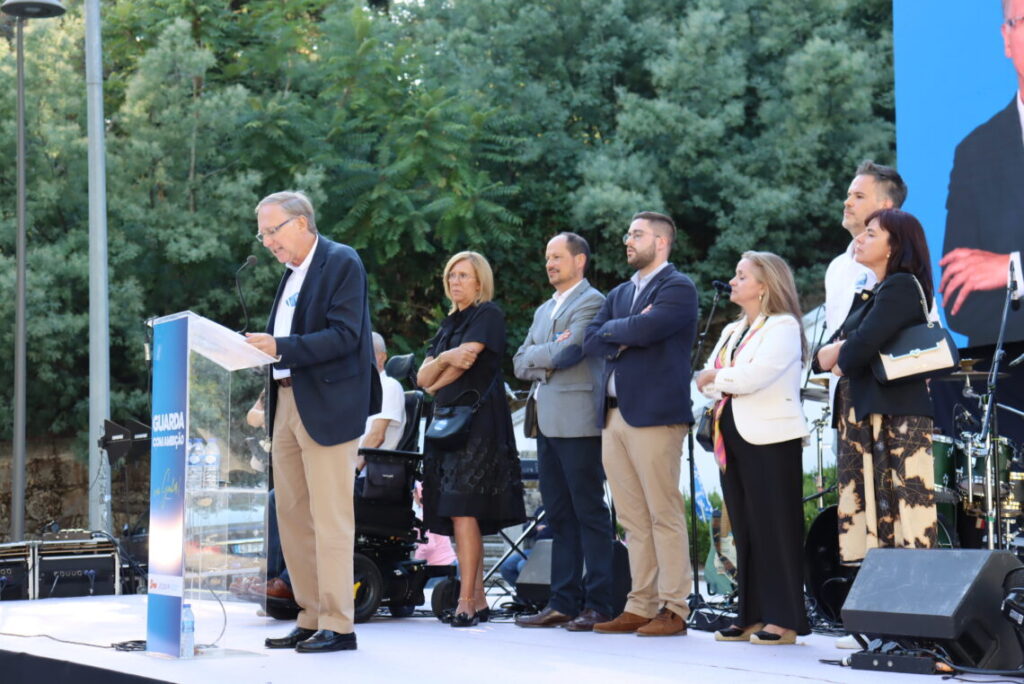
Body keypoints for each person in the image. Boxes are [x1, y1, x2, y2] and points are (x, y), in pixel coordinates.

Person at [246, 190, 380, 653]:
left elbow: (345, 335)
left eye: (272, 231)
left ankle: (339, 624)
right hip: (285, 402)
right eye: (263, 235)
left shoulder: (341, 261)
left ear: (301, 223)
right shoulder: (290, 275)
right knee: (293, 517)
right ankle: (309, 616)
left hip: (327, 405)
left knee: (330, 517)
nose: (267, 242)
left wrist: (279, 347)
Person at [582, 211, 698, 637]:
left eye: (637, 234)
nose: (627, 240)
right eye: (628, 233)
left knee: (663, 513)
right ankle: (640, 604)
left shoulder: (678, 287)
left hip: (655, 415)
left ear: (661, 242)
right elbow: (591, 339)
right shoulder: (619, 293)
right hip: (613, 416)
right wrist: (625, 330)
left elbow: (649, 330)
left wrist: (623, 331)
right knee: (632, 519)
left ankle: (674, 607)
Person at [696, 252, 810, 645]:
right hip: (731, 437)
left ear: (764, 285)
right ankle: (751, 614)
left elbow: (753, 377)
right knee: (744, 528)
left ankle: (784, 620)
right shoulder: (732, 330)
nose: (733, 281)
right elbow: (707, 380)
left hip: (771, 440)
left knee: (774, 527)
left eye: (742, 276)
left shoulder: (783, 326)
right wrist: (719, 378)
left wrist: (718, 377)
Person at [814, 209, 939, 564]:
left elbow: (854, 353)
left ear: (893, 246)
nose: (860, 238)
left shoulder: (901, 286)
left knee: (902, 515)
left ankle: (910, 594)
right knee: (875, 514)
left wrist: (844, 351)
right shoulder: (872, 293)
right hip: (869, 413)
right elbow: (822, 358)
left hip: (895, 417)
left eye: (871, 233)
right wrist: (845, 350)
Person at [416, 251, 526, 627]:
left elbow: (463, 365)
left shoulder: (487, 315)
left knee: (465, 509)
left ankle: (465, 601)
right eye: (451, 275)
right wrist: (446, 357)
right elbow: (422, 378)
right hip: (446, 426)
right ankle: (477, 598)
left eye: (463, 275)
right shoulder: (449, 323)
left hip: (477, 427)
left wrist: (438, 373)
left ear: (480, 282)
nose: (455, 281)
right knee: (457, 511)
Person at [512, 232, 615, 632]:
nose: (550, 264)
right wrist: (547, 354)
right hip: (545, 422)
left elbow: (571, 351)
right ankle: (562, 602)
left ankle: (600, 603)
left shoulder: (593, 301)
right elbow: (518, 361)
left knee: (589, 511)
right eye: (547, 257)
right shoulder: (544, 309)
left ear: (580, 261)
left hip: (578, 421)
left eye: (557, 257)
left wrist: (542, 355)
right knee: (558, 514)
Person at [940, 0, 1024, 347]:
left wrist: (1014, 269)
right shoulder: (974, 152)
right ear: (1007, 38)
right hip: (1009, 373)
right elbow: (961, 303)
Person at [355, 331, 408, 478]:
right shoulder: (360, 390)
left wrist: (352, 473)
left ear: (382, 357)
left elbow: (376, 436)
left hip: (368, 475)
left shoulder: (389, 386)